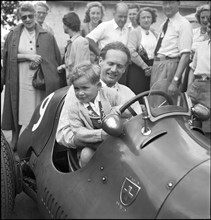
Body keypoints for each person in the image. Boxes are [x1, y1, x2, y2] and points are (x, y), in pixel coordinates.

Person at [1, 2, 62, 149]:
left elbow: (53, 58)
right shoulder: (13, 34)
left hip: (38, 81)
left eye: (30, 16)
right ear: (20, 18)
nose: (27, 19)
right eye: (24, 17)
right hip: (19, 79)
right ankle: (15, 140)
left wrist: (41, 62)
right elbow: (8, 56)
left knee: (37, 109)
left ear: (35, 15)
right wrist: (29, 56)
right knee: (19, 108)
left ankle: (37, 142)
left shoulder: (47, 34)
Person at [56, 61, 133, 167]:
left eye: (85, 88)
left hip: (115, 139)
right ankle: (88, 179)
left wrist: (116, 111)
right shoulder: (74, 107)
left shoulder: (108, 93)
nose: (80, 93)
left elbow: (129, 108)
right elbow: (78, 132)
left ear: (98, 86)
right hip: (92, 144)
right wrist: (100, 135)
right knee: (86, 154)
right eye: (76, 89)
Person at [150, 1, 193, 97]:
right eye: (165, 3)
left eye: (171, 2)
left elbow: (185, 55)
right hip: (158, 66)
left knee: (164, 103)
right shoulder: (164, 24)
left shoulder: (184, 24)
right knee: (154, 101)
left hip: (170, 67)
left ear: (178, 3)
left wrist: (175, 81)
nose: (167, 6)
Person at [187, 15, 210, 139]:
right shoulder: (201, 46)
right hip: (196, 85)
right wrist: (188, 88)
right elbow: (192, 68)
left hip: (209, 89)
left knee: (207, 126)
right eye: (209, 27)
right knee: (189, 121)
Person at [127, 7, 158, 97]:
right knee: (138, 95)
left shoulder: (155, 34)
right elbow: (130, 51)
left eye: (148, 17)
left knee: (150, 95)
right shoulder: (135, 32)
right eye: (143, 17)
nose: (146, 20)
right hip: (138, 69)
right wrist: (144, 67)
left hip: (153, 69)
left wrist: (153, 67)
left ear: (152, 19)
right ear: (139, 20)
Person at [57, 11, 90, 86]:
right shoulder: (72, 42)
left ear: (67, 25)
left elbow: (81, 67)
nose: (63, 26)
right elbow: (72, 63)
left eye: (63, 24)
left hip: (77, 85)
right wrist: (64, 67)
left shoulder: (81, 42)